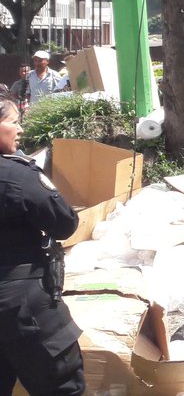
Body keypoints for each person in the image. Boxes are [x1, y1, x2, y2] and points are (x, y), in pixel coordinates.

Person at [0, 99, 85, 395]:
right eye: (13, 122)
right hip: (23, 305)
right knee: (62, 385)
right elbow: (65, 224)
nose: (20, 129)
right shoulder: (18, 175)